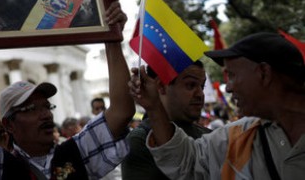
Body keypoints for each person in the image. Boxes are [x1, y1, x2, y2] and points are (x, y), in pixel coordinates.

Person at [0, 0, 135, 179]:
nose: (46, 114)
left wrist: (112, 39)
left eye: (46, 106)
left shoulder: (78, 151)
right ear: (9, 124)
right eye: (32, 109)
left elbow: (122, 111)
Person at [129, 32, 305, 179]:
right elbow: (186, 162)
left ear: (264, 74)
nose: (228, 87)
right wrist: (153, 106)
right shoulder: (236, 136)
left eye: (233, 75)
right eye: (191, 85)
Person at [121, 61, 210, 180]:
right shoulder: (140, 140)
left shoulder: (210, 136)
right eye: (190, 85)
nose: (200, 94)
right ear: (161, 86)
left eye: (202, 86)